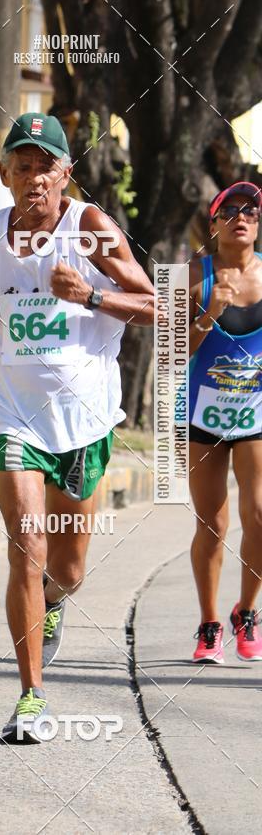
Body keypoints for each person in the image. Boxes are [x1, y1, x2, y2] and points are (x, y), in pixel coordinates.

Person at [0, 112, 155, 742]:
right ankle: (31, 696)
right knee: (27, 547)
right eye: (23, 165)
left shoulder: (89, 229)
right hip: (12, 415)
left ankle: (54, 603)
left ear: (66, 174)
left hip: (83, 421)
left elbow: (156, 305)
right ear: (5, 173)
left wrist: (89, 296)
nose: (35, 177)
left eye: (46, 166)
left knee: (68, 569)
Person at [188, 181, 262, 664]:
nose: (242, 217)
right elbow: (171, 352)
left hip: (255, 413)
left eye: (251, 211)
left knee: (260, 516)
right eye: (230, 210)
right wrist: (207, 315)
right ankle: (210, 623)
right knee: (212, 524)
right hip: (202, 415)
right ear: (213, 224)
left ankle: (247, 612)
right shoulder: (194, 276)